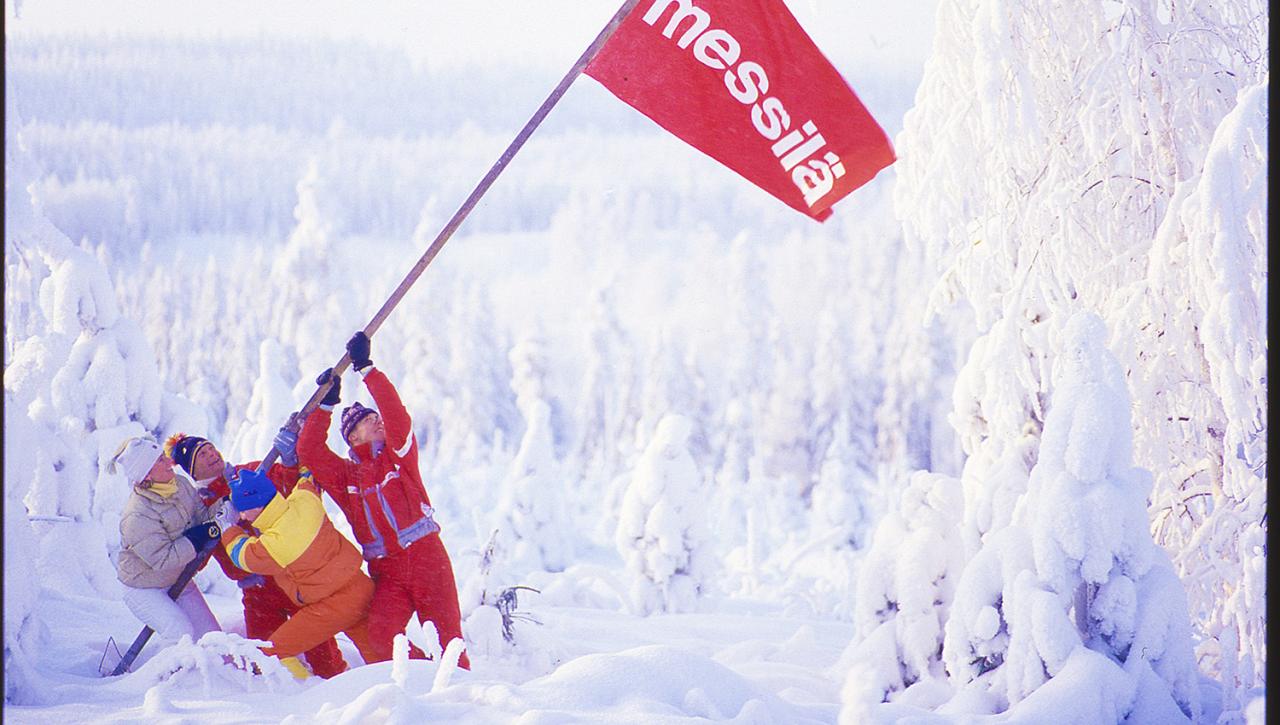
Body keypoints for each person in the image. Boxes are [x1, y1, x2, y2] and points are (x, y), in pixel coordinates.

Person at [298, 331, 470, 669]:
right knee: (381, 639)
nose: (376, 420)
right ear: (352, 437)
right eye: (366, 421)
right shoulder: (346, 477)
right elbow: (310, 451)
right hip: (387, 571)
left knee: (450, 642)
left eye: (374, 417)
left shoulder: (399, 455)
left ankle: (460, 700)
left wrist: (366, 368)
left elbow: (396, 416)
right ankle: (426, 679)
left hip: (426, 559)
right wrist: (326, 405)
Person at [164, 431, 348, 679]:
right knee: (263, 658)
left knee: (320, 647)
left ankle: (340, 685)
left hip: (287, 577)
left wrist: (292, 461)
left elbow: (289, 483)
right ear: (193, 471)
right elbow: (195, 554)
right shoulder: (199, 507)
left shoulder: (249, 472)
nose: (211, 454)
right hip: (256, 592)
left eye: (210, 448)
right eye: (202, 455)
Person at [219, 466, 378, 679]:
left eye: (244, 510)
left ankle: (306, 695)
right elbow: (307, 477)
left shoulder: (276, 543)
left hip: (332, 605)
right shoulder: (304, 500)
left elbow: (243, 556)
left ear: (257, 506)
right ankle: (425, 676)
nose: (244, 517)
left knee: (272, 653)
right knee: (384, 655)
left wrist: (227, 527)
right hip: (361, 587)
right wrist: (300, 465)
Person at [111, 436, 221, 643]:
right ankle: (171, 674)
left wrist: (226, 504)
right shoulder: (138, 515)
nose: (169, 462)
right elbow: (162, 559)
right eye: (160, 460)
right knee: (181, 634)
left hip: (178, 577)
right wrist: (196, 538)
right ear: (146, 475)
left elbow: (203, 519)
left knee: (213, 637)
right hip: (144, 587)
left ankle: (228, 673)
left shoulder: (179, 484)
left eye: (164, 456)